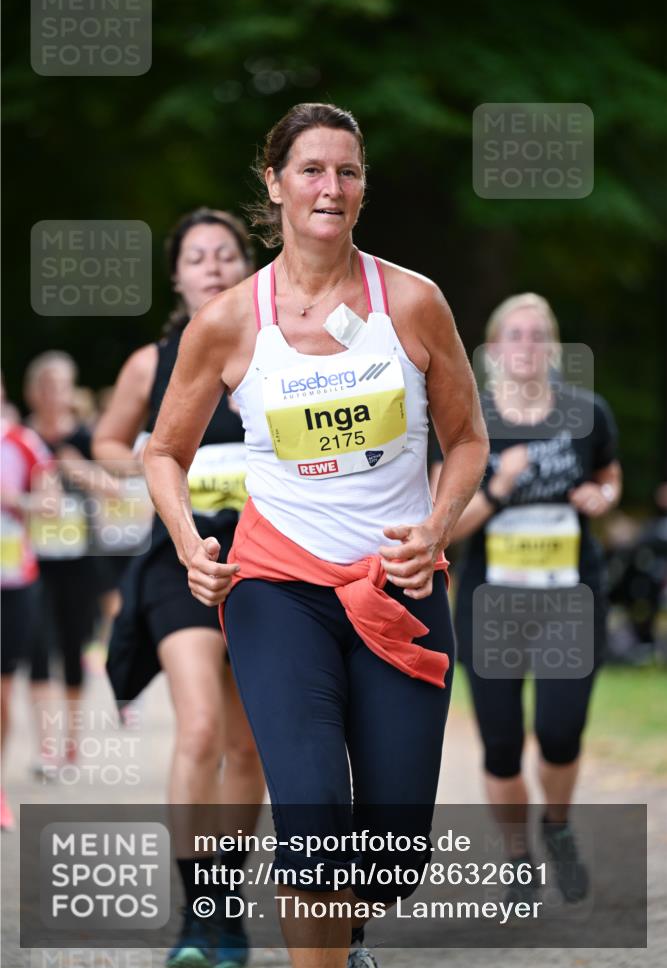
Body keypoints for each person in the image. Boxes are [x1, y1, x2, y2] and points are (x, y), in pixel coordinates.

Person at [143, 103, 489, 968]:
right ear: (274, 183)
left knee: (393, 850)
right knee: (308, 816)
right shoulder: (226, 320)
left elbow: (469, 442)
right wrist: (190, 545)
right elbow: (163, 453)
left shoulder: (412, 303)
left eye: (346, 171)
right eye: (310, 169)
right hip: (275, 590)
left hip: (397, 587)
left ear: (362, 187)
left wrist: (434, 528)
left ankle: (348, 932)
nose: (329, 187)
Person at [94, 207, 266, 968]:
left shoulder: (279, 352)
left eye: (226, 254)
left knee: (247, 745)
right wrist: (156, 460)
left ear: (246, 264)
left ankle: (227, 910)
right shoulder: (150, 362)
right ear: (177, 275)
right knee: (198, 729)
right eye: (197, 257)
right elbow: (103, 440)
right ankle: (195, 917)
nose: (213, 267)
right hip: (179, 561)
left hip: (266, 563)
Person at [440, 292, 622, 903]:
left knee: (561, 728)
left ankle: (559, 825)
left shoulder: (585, 411)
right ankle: (519, 855)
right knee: (501, 743)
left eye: (537, 335)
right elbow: (446, 525)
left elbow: (608, 473)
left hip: (570, 596)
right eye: (513, 335)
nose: (525, 346)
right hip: (493, 603)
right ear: (492, 350)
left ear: (552, 347)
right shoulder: (473, 422)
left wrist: (604, 496)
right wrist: (499, 488)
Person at [23, 351, 114, 770]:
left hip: (79, 559)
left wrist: (80, 472)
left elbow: (115, 490)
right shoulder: (22, 438)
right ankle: (46, 748)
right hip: (31, 561)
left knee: (75, 645)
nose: (52, 394)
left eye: (59, 386)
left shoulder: (85, 438)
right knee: (39, 649)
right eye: (45, 386)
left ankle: (71, 742)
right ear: (32, 391)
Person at [0, 376, 54, 828]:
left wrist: (15, 500)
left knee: (3, 690)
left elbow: (53, 503)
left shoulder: (22, 442)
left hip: (13, 581)